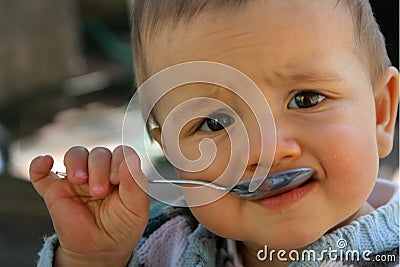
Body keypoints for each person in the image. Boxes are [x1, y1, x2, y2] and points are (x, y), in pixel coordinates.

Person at [29, 0, 399, 266]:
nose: (263, 150)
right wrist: (94, 258)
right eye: (214, 123)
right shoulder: (158, 251)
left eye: (306, 99)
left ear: (380, 113)